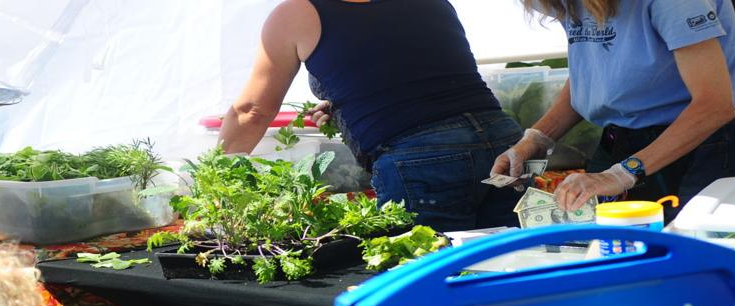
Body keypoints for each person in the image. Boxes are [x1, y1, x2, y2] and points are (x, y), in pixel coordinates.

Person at [218, 0, 525, 233]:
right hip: (504, 144)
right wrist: (348, 107)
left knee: (425, 280)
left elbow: (252, 111)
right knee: (510, 268)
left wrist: (216, 180)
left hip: (423, 158)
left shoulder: (296, 13)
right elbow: (415, 71)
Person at [492, 0, 735, 219]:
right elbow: (593, 71)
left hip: (698, 141)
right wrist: (536, 139)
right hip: (622, 139)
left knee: (694, 250)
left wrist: (623, 173)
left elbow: (714, 105)